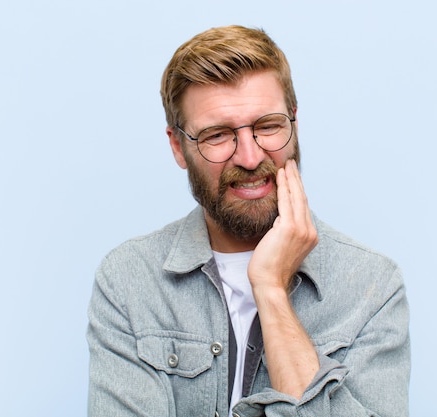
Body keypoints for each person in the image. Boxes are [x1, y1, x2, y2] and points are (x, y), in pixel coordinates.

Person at [87, 25, 410, 417]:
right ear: (178, 146)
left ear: (294, 123)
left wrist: (272, 291)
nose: (250, 157)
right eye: (218, 135)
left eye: (267, 126)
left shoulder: (371, 288)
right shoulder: (129, 280)